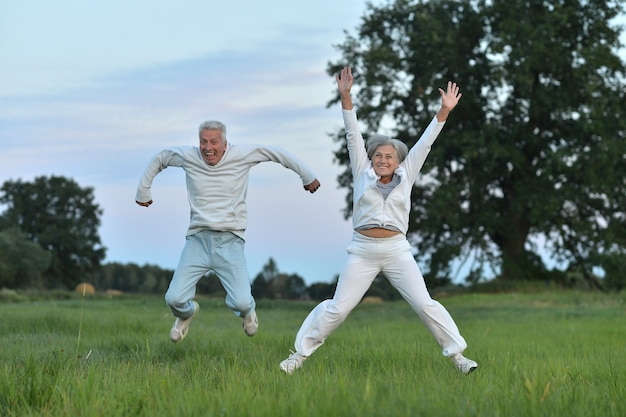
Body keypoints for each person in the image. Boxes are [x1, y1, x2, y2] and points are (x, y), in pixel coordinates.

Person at [279, 67, 477, 375]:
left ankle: (459, 359)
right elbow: (352, 134)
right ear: (370, 159)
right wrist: (346, 96)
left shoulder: (407, 174)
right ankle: (297, 358)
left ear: (399, 160)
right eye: (378, 156)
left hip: (397, 251)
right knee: (338, 308)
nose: (383, 160)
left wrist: (443, 111)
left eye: (390, 157)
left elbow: (425, 144)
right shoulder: (361, 172)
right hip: (363, 251)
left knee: (425, 305)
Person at [136, 120, 321, 343]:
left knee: (241, 302)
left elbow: (275, 153)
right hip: (197, 241)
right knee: (174, 299)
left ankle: (248, 312)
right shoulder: (189, 157)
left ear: (225, 143)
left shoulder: (241, 155)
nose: (208, 147)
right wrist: (143, 190)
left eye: (214, 142)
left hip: (230, 241)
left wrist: (307, 176)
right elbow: (160, 157)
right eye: (203, 142)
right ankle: (186, 314)